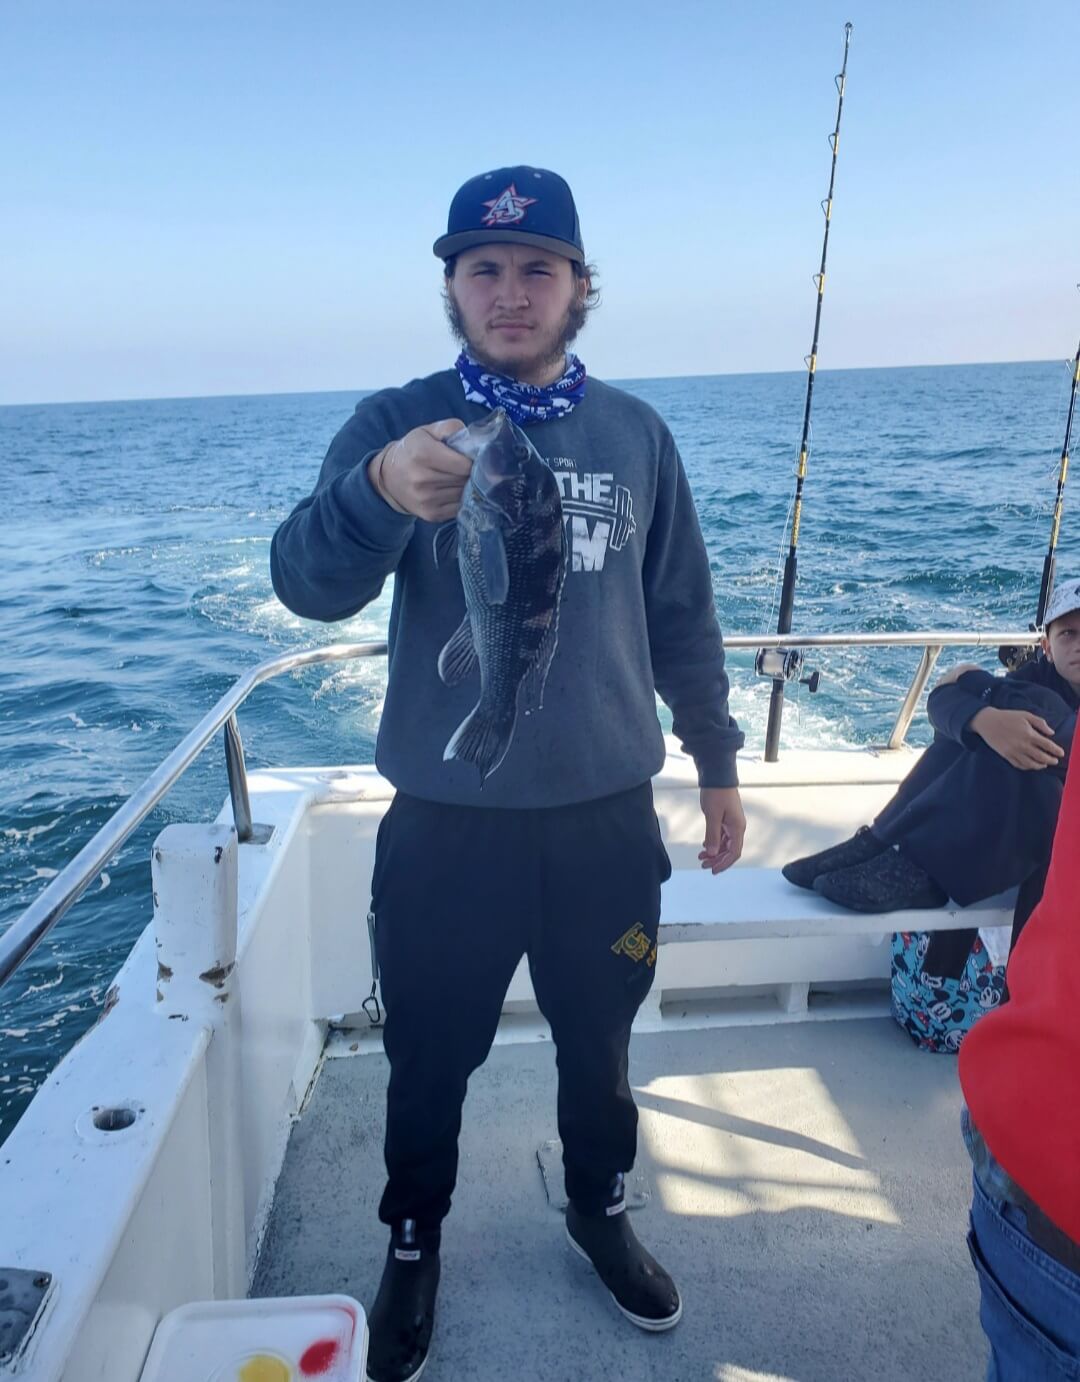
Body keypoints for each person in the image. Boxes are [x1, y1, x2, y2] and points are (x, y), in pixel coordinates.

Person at [270, 165, 745, 1382]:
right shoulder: (398, 419)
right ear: (452, 286)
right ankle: (414, 1235)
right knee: (430, 1052)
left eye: (540, 268)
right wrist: (379, 494)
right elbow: (306, 583)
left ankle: (599, 1205)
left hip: (604, 821)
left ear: (582, 286)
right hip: (447, 823)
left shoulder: (638, 431)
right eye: (485, 267)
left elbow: (683, 612)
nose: (511, 290)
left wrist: (718, 763)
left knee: (601, 1046)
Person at [782, 580, 1080, 921]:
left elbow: (1064, 737)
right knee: (974, 736)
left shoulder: (1034, 694)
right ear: (1046, 645)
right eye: (1068, 634)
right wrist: (984, 719)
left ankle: (926, 870)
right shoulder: (1036, 679)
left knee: (1025, 760)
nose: (1079, 645)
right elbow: (941, 702)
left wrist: (979, 687)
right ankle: (880, 840)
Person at [958, 725, 1080, 1378]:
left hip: (1028, 1134)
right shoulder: (1037, 710)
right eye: (1066, 631)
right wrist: (977, 712)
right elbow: (949, 704)